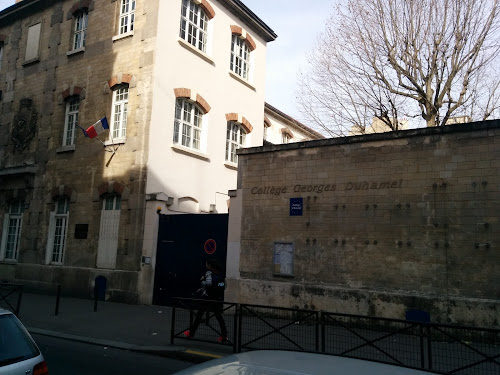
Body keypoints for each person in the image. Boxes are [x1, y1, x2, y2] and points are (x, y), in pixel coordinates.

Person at [184, 258, 228, 342]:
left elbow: (208, 284)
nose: (206, 265)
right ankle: (224, 335)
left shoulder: (208, 273)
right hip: (216, 298)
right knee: (219, 316)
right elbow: (224, 285)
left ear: (210, 266)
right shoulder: (219, 273)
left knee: (199, 315)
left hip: (207, 297)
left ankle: (191, 333)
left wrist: (203, 280)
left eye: (207, 264)